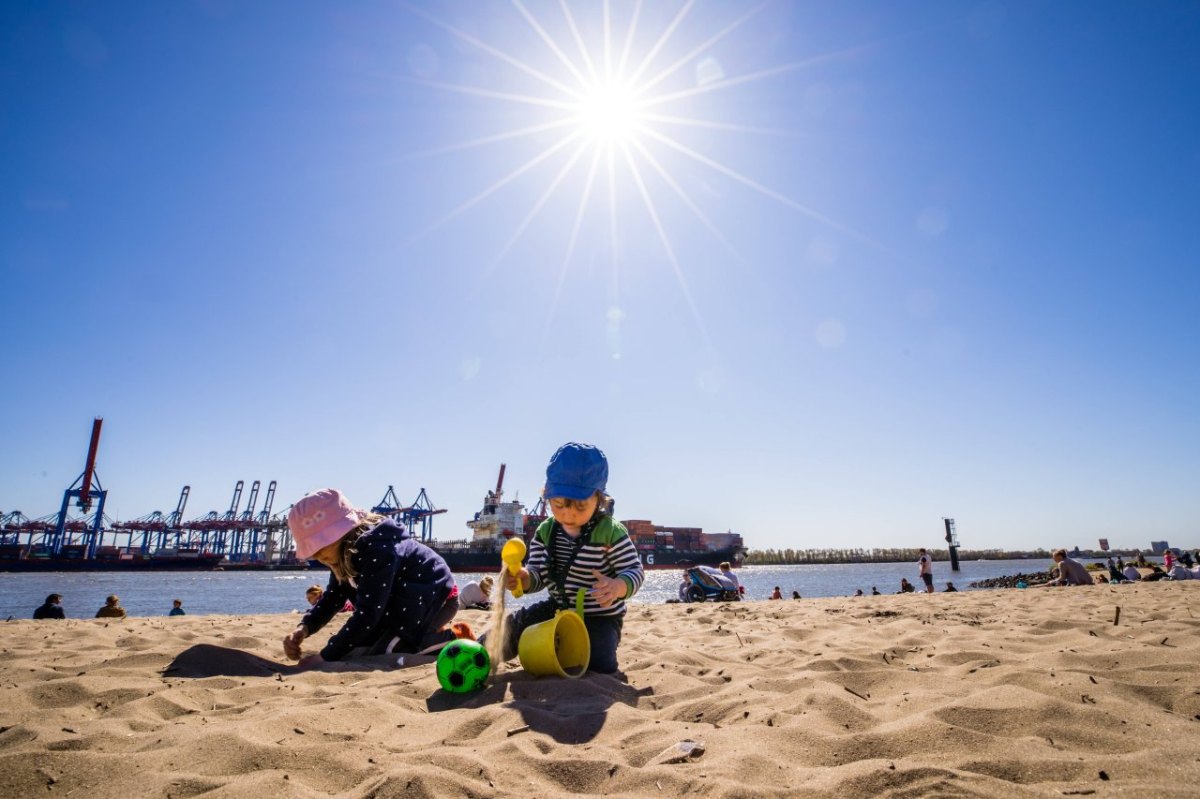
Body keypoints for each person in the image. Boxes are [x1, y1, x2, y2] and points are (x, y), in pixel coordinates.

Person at [489, 443, 644, 675]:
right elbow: (538, 575)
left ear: (599, 499)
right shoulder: (546, 531)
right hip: (559, 607)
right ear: (547, 496)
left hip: (601, 616)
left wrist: (618, 586)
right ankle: (478, 653)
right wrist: (523, 579)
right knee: (513, 626)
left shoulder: (610, 532)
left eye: (580, 506)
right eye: (559, 505)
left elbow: (635, 570)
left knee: (599, 662)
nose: (568, 514)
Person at [281, 488, 465, 668]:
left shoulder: (377, 550)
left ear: (343, 533)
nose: (318, 556)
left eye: (321, 546)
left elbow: (368, 613)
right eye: (313, 552)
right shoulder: (342, 555)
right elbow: (333, 597)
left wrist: (325, 657)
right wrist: (305, 627)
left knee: (392, 649)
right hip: (402, 605)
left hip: (434, 597)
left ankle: (456, 637)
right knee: (365, 644)